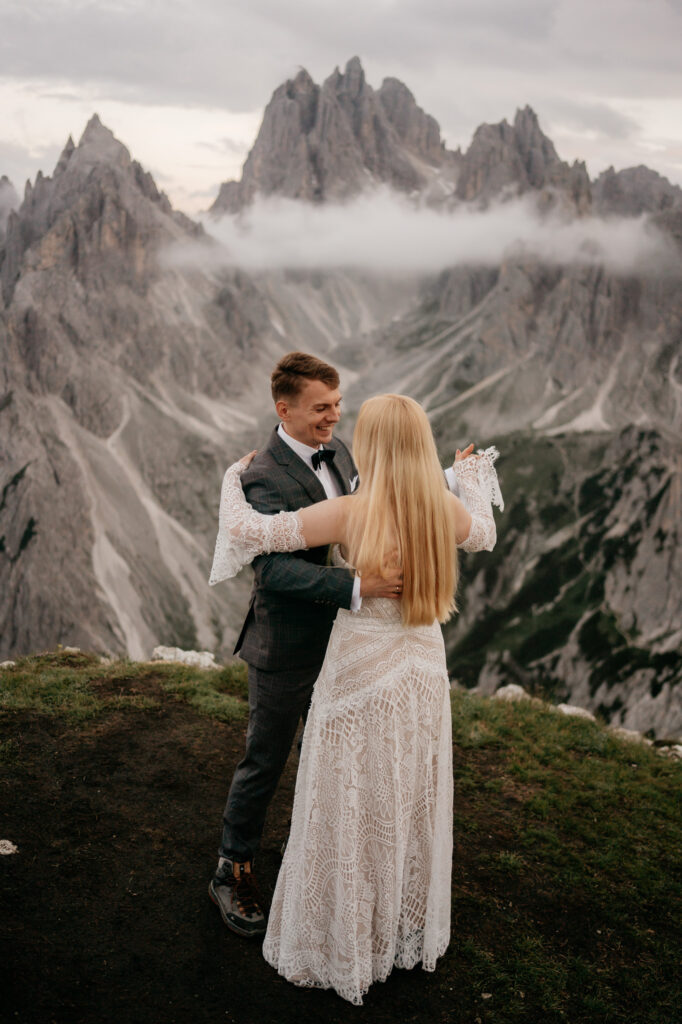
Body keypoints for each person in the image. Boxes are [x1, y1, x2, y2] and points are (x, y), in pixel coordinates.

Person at [210, 393, 502, 1005]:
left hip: (359, 669)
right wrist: (469, 475)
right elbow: (485, 533)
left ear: (371, 447)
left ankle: (343, 931)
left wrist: (232, 478)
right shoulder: (439, 510)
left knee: (349, 792)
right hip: (420, 666)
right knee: (405, 791)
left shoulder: (350, 511)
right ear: (421, 446)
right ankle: (398, 922)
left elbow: (250, 534)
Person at [207, 352, 403, 938]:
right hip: (285, 647)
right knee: (264, 761)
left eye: (338, 405)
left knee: (334, 759)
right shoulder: (261, 474)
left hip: (345, 644)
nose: (333, 418)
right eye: (321, 408)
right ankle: (231, 868)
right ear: (283, 408)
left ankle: (324, 871)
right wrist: (359, 587)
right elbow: (273, 574)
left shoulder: (338, 454)